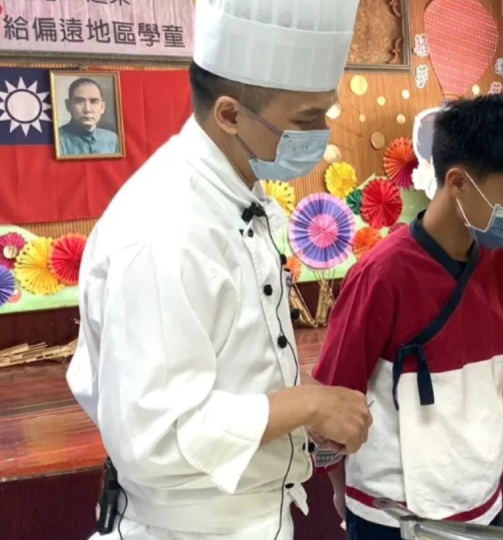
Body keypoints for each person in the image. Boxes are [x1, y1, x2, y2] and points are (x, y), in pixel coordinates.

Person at [65, 1, 372, 539]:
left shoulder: (231, 192)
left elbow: (236, 363)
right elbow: (158, 437)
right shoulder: (166, 229)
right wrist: (307, 402)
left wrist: (304, 415)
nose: (321, 135)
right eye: (307, 119)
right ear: (230, 115)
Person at [312, 94, 503, 540]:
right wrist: (338, 488)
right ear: (458, 182)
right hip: (396, 511)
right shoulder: (383, 274)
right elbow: (333, 396)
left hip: (479, 494)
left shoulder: (498, 263)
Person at [58, 77, 121, 156]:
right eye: (79, 101)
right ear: (68, 105)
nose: (87, 109)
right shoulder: (57, 139)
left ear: (102, 107)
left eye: (94, 102)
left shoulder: (112, 139)